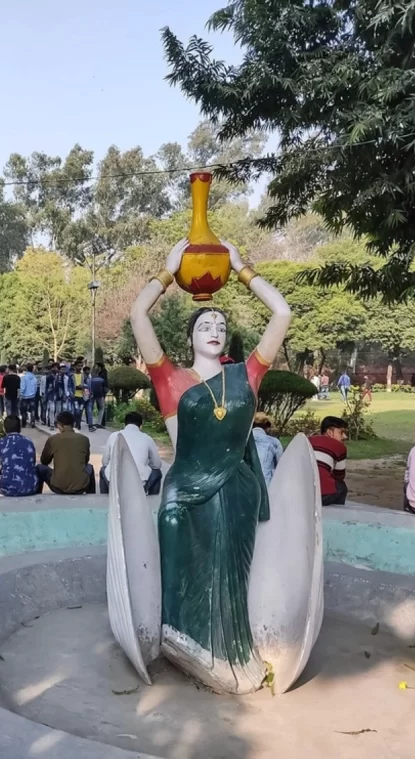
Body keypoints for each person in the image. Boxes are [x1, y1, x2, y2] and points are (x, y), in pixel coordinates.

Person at [130, 234, 290, 695]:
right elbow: (139, 314)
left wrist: (241, 268)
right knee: (178, 539)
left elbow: (282, 314)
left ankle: (230, 650)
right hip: (185, 489)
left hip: (236, 489)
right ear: (190, 337)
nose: (214, 328)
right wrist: (168, 268)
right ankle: (183, 639)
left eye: (220, 323)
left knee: (231, 578)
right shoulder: (169, 377)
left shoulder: (248, 375)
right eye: (204, 325)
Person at [99, 411, 162, 495]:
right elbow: (157, 464)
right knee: (157, 472)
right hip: (139, 485)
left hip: (115, 484)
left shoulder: (113, 436)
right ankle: (151, 500)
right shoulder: (147, 438)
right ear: (140, 426)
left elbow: (105, 462)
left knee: (103, 470)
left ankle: (107, 497)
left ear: (124, 424)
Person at [0, 415, 39, 497]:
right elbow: (30, 465)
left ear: (4, 429)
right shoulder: (29, 442)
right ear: (20, 428)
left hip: (10, 488)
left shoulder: (0, 443)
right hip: (31, 487)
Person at [36, 410, 94, 494]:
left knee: (39, 468)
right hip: (80, 487)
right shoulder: (84, 439)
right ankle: (92, 497)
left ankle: (38, 495)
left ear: (59, 426)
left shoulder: (53, 439)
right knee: (90, 467)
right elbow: (85, 461)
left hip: (58, 486)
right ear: (73, 424)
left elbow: (44, 461)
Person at [309, 416, 348, 506]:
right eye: (341, 432)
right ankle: (336, 514)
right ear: (330, 432)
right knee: (341, 486)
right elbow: (340, 475)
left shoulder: (308, 440)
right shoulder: (339, 446)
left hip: (301, 492)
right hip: (322, 495)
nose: (345, 436)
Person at [251, 412, 283, 485]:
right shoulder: (274, 442)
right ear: (267, 427)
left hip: (245, 485)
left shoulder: (242, 441)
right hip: (266, 484)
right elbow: (281, 465)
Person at [19, 363, 38, 428]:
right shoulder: (34, 378)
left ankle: (24, 423)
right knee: (32, 409)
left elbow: (23, 387)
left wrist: (21, 394)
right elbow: (35, 387)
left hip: (25, 396)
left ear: (26, 369)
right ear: (32, 369)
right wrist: (34, 393)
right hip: (32, 396)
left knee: (24, 410)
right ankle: (32, 421)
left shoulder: (24, 378)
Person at [91, 364, 108, 428]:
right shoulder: (102, 379)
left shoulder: (91, 379)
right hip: (100, 395)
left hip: (92, 395)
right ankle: (99, 423)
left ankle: (91, 422)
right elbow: (104, 387)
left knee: (91, 408)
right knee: (102, 408)